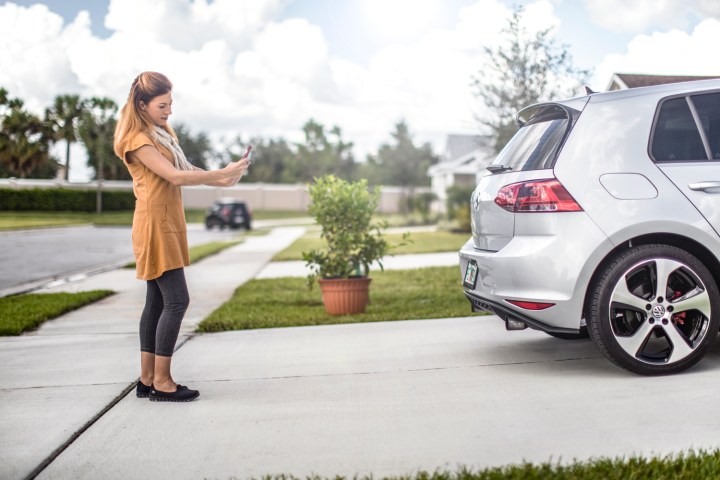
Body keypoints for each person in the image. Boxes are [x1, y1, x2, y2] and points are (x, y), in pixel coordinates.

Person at [113, 71, 249, 402]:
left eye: (171, 103)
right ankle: (163, 382)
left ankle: (147, 379)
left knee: (157, 301)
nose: (169, 110)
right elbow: (174, 176)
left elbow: (186, 170)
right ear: (142, 105)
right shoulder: (137, 140)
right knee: (177, 300)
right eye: (163, 105)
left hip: (167, 222)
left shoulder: (161, 135)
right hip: (154, 225)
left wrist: (226, 177)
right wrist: (222, 174)